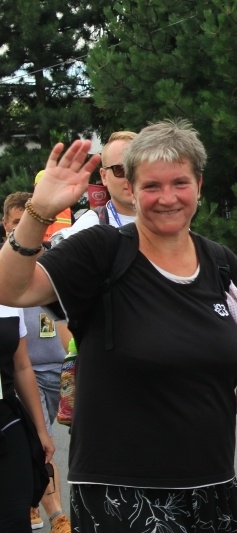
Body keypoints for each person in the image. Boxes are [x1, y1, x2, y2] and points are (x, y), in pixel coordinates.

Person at [0, 119, 237, 532]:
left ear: (199, 185)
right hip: (121, 495)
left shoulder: (221, 264)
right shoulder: (101, 252)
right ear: (131, 189)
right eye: (151, 186)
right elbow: (9, 289)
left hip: (213, 486)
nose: (167, 198)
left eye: (180, 183)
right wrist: (38, 212)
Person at [2, 192, 72, 532]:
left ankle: (34, 504)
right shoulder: (7, 269)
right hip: (26, 374)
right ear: (5, 224)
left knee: (40, 446)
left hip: (51, 371)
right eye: (17, 222)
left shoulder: (51, 262)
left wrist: (74, 359)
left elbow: (65, 318)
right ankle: (55, 512)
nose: (24, 229)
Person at [0, 303, 55, 531]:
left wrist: (41, 430)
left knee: (15, 515)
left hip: (6, 419)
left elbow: (21, 365)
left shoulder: (9, 297)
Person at [96, 130, 138, 227]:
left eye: (136, 169)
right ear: (104, 176)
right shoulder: (91, 224)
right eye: (120, 170)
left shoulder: (169, 219)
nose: (130, 177)